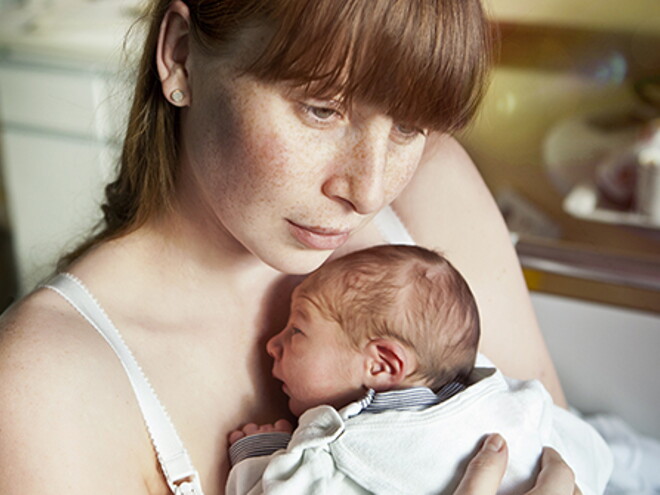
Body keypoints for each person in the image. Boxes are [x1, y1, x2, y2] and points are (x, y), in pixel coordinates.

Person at [0, 0, 581, 493]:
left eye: (407, 126)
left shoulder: (431, 186)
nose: (369, 190)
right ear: (180, 55)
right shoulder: (45, 385)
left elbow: (563, 444)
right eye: (322, 109)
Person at [225, 245, 611, 494]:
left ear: (381, 364)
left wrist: (261, 457)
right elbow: (589, 449)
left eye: (297, 330)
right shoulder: (510, 399)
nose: (272, 344)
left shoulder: (356, 450)